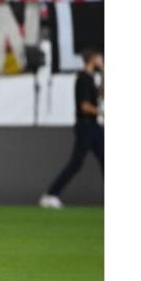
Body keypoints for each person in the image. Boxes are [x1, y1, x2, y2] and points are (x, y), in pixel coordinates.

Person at [39, 48, 104, 209]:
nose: (102, 60)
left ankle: (51, 194)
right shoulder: (82, 79)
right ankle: (51, 194)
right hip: (85, 127)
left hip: (95, 126)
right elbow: (84, 106)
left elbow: (101, 95)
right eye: (100, 58)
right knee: (76, 163)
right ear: (92, 59)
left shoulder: (91, 79)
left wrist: (104, 73)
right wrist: (101, 111)